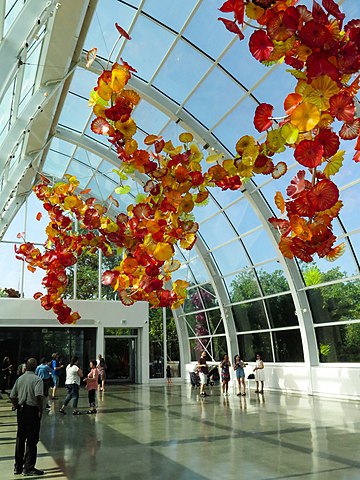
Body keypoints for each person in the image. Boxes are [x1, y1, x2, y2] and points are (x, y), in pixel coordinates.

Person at [10, 357, 44, 476]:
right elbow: (39, 396)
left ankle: (18, 467)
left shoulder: (20, 379)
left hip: (22, 410)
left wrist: (16, 406)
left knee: (20, 438)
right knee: (32, 439)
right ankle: (29, 467)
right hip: (32, 411)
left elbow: (12, 395)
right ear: (35, 367)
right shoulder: (37, 380)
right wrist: (40, 409)